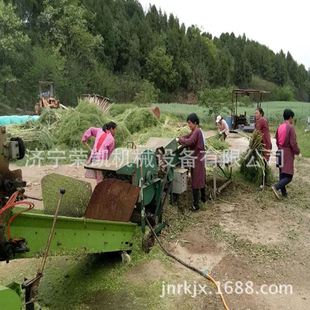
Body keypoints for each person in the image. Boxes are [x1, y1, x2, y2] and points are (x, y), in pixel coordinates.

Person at [177, 113, 206, 211]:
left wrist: (180, 140)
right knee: (200, 178)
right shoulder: (194, 131)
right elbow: (187, 137)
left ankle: (196, 205)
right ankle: (203, 198)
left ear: (195, 122)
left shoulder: (197, 131)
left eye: (189, 123)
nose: (188, 125)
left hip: (197, 158)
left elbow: (190, 141)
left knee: (196, 181)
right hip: (197, 158)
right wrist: (180, 138)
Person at [272, 109, 300, 199]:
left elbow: (276, 140)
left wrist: (280, 147)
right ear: (291, 117)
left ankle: (284, 193)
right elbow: (293, 143)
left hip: (279, 151)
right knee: (289, 176)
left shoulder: (280, 126)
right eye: (292, 118)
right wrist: (297, 151)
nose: (292, 120)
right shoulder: (290, 127)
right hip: (286, 153)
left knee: (282, 174)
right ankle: (276, 187)